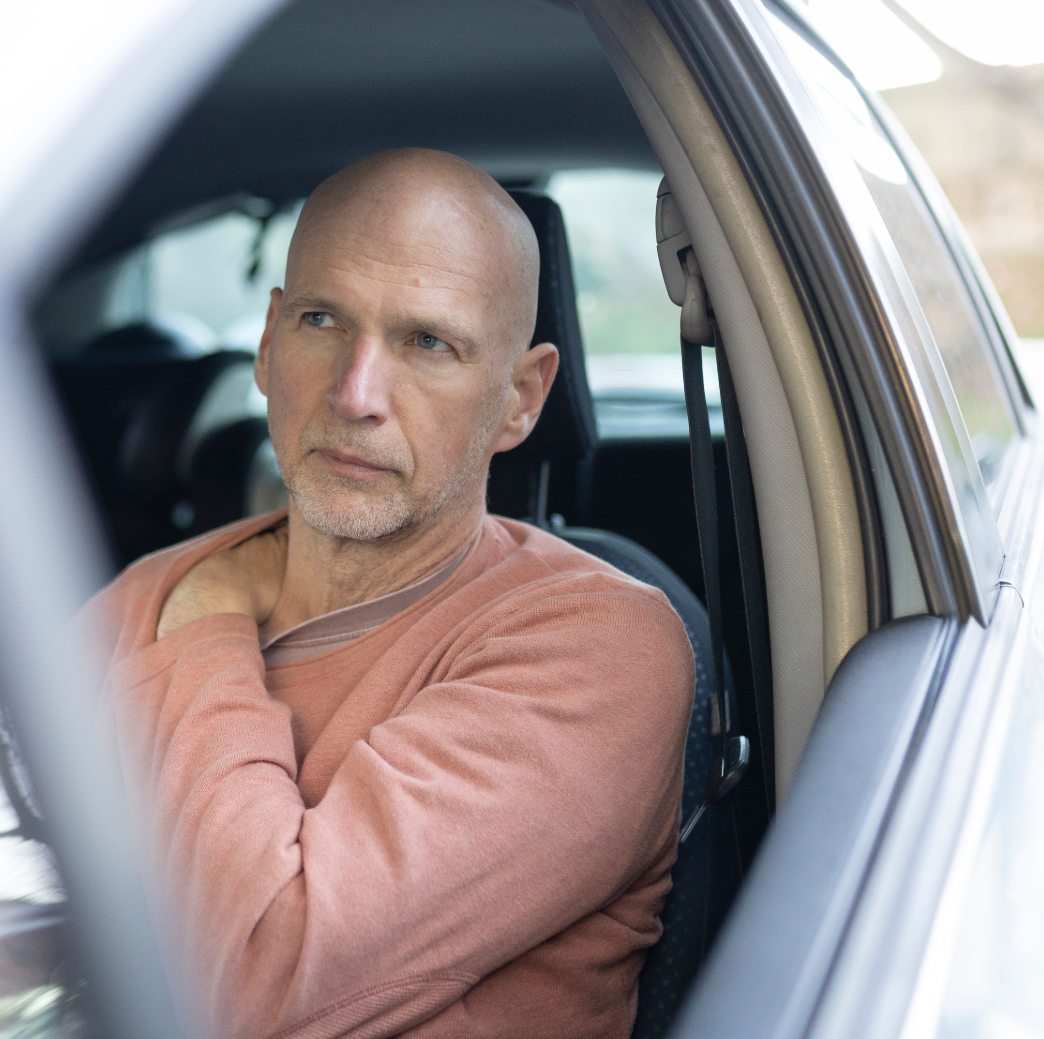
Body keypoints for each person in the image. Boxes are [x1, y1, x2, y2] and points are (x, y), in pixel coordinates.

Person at [88, 148, 694, 1039]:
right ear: (266, 344)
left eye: (428, 342)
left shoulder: (598, 646)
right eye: (323, 320)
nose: (356, 392)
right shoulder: (133, 601)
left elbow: (262, 985)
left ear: (521, 399)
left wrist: (210, 624)